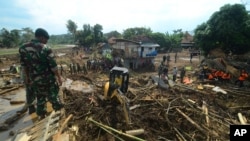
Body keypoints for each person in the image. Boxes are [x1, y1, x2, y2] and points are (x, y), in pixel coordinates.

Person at [19, 28, 63, 119]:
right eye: (46, 39)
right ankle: (59, 114)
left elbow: (24, 66)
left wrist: (27, 78)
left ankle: (41, 116)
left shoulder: (23, 48)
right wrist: (59, 77)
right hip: (48, 79)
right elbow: (53, 66)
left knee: (40, 97)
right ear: (42, 38)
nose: (46, 42)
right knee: (53, 95)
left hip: (34, 80)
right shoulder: (45, 48)